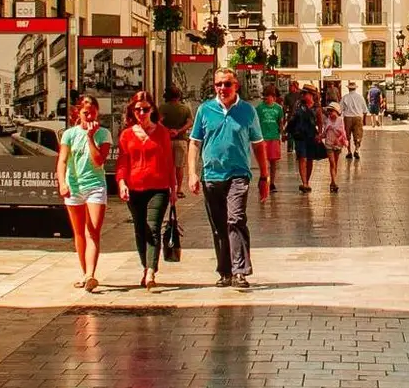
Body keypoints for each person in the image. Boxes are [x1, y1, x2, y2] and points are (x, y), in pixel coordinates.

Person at [190, 70, 266, 288]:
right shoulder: (205, 110)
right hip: (211, 175)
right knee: (219, 225)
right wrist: (192, 173)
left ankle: (240, 270)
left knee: (236, 219)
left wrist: (265, 176)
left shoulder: (247, 111)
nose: (222, 88)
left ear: (236, 86)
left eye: (226, 84)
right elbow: (195, 142)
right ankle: (225, 271)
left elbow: (258, 144)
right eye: (218, 85)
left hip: (238, 174)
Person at [116, 91, 178, 290]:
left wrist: (174, 188)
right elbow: (123, 161)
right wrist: (121, 183)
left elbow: (169, 162)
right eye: (137, 109)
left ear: (152, 110)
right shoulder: (126, 134)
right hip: (134, 188)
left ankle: (151, 270)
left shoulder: (162, 133)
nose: (141, 113)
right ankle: (146, 267)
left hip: (158, 188)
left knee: (152, 228)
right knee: (140, 230)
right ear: (132, 111)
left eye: (145, 109)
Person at [56, 95, 113, 291]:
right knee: (79, 232)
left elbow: (99, 161)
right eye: (85, 113)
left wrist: (90, 137)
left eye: (93, 112)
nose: (89, 116)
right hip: (74, 187)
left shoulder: (103, 134)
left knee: (93, 229)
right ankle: (84, 273)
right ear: (78, 113)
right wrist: (62, 183)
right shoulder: (69, 134)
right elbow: (62, 160)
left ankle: (91, 274)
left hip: (95, 186)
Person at [283, 88, 324, 194]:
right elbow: (292, 118)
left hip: (311, 135)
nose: (303, 95)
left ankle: (307, 181)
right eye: (303, 93)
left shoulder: (317, 108)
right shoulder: (298, 105)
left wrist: (320, 134)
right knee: (302, 158)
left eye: (305, 94)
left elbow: (320, 122)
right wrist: (287, 131)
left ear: (311, 95)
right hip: (300, 134)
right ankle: (304, 183)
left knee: (309, 159)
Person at [254, 85, 285, 199]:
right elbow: (255, 122)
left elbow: (280, 121)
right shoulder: (259, 108)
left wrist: (282, 134)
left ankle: (271, 182)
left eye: (270, 96)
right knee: (263, 162)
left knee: (273, 162)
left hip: (274, 137)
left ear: (274, 97)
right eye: (266, 96)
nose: (267, 98)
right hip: (263, 138)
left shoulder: (278, 108)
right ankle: (263, 180)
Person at [319, 102, 349, 191]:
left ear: (336, 111)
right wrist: (319, 137)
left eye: (332, 111)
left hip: (338, 145)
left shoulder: (340, 120)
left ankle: (333, 182)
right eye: (329, 111)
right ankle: (333, 182)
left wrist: (338, 140)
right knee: (332, 162)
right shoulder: (327, 120)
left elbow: (343, 133)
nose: (330, 113)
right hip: (329, 144)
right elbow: (325, 132)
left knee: (335, 163)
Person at [340, 82, 368, 159]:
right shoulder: (360, 97)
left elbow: (340, 110)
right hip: (358, 118)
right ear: (355, 88)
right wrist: (364, 120)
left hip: (347, 118)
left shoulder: (345, 97)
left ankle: (349, 152)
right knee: (358, 135)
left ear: (348, 88)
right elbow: (365, 110)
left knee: (347, 136)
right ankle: (356, 150)